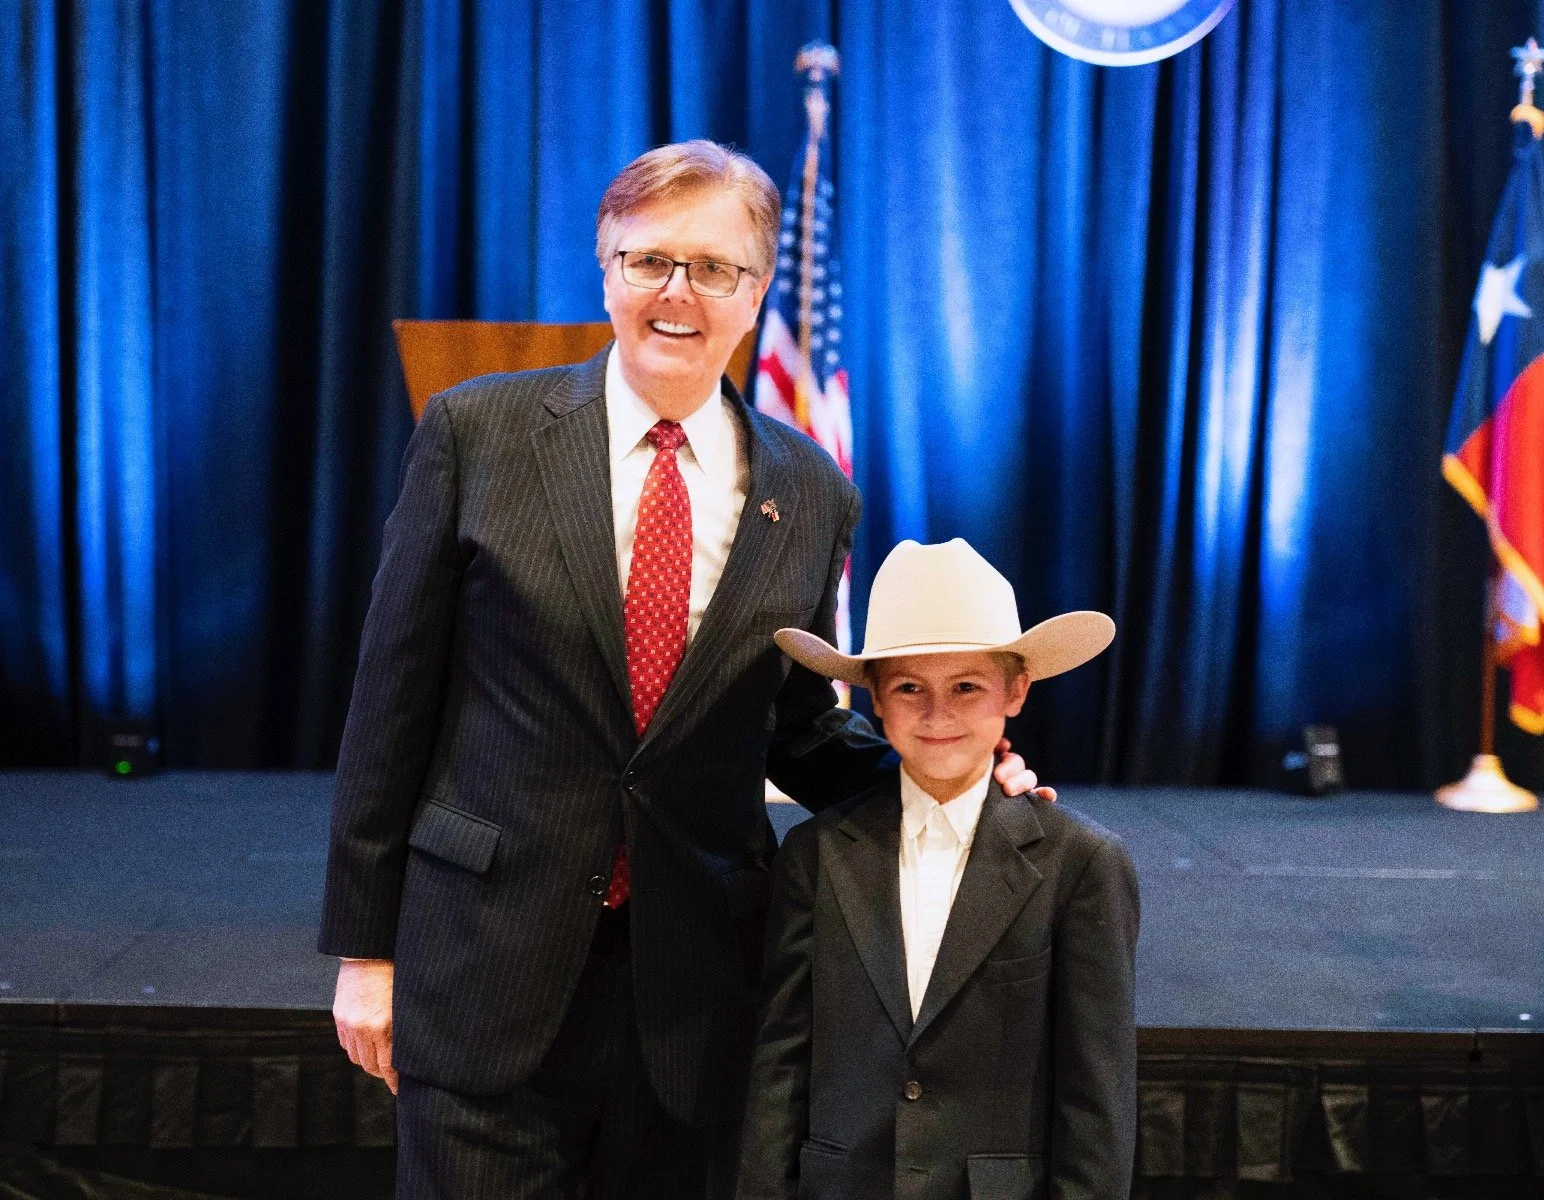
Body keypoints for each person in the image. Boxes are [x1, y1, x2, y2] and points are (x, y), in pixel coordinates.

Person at [318, 141, 1049, 1199]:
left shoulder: (810, 490)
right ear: (605, 270)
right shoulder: (478, 434)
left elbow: (795, 728)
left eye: (714, 268)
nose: (678, 292)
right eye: (650, 260)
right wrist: (364, 952)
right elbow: (390, 706)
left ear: (754, 294)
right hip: (482, 967)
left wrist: (948, 785)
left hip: (693, 995)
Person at [736, 538, 1140, 1200]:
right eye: (909, 688)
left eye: (966, 687)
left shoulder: (1081, 865)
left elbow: (1096, 1101)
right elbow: (779, 1068)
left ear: (1016, 691)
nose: (937, 713)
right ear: (872, 701)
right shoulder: (816, 854)